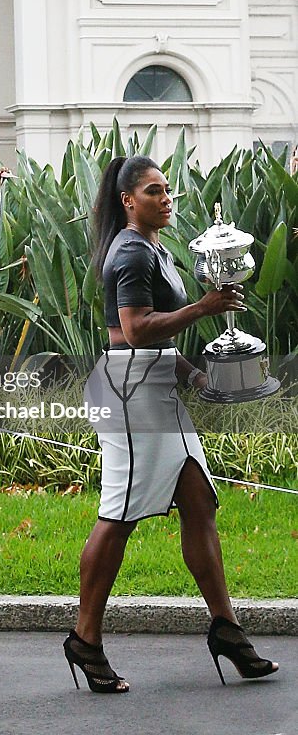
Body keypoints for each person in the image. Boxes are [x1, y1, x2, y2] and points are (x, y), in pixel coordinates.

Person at [64, 155, 279, 694]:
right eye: (155, 191)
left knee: (199, 500)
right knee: (119, 514)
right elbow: (134, 331)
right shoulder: (131, 251)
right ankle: (84, 639)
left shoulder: (153, 249)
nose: (166, 198)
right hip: (132, 392)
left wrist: (195, 376)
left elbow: (151, 338)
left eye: (168, 190)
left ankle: (226, 629)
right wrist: (205, 308)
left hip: (154, 383)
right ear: (128, 200)